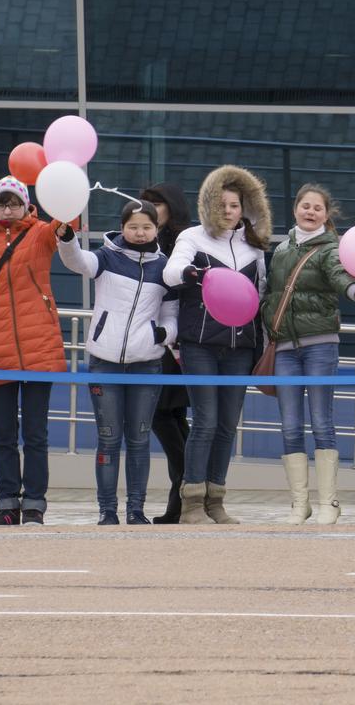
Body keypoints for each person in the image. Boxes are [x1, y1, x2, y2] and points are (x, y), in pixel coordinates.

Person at [56, 202, 178, 526]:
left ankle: (136, 510)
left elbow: (171, 314)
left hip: (147, 364)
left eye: (146, 227)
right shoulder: (106, 257)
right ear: (122, 227)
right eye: (133, 226)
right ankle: (107, 510)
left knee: (139, 440)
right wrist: (67, 238)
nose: (140, 233)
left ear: (157, 229)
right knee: (108, 438)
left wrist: (165, 334)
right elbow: (76, 261)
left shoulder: (165, 268)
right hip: (104, 363)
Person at [162, 165, 270, 525]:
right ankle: (192, 501)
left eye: (235, 205)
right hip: (201, 344)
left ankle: (216, 498)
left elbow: (261, 294)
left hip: (240, 348)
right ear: (209, 205)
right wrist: (190, 273)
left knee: (227, 425)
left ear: (245, 208)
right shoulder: (192, 238)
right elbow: (170, 271)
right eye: (222, 204)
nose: (228, 211)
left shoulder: (254, 248)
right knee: (205, 421)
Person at [262, 183, 355, 526]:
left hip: (320, 344)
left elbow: (341, 277)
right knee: (290, 425)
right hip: (283, 348)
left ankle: (329, 502)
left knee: (322, 421)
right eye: (305, 206)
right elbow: (269, 292)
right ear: (295, 209)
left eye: (317, 208)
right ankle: (299, 504)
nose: (310, 212)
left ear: (327, 214)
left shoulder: (331, 248)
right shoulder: (280, 250)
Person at [0, 176, 68, 526]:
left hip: (40, 347)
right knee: (3, 434)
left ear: (27, 205)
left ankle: (35, 505)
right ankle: (7, 503)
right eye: (2, 203)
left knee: (36, 434)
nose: (8, 209)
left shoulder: (41, 233)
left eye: (15, 203)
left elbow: (66, 222)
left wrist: (66, 187)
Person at [139, 182, 193, 524]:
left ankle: (184, 494)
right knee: (167, 418)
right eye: (146, 203)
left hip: (175, 341)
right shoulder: (140, 239)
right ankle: (185, 493)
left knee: (168, 415)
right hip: (150, 338)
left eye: (157, 204)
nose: (151, 209)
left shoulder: (182, 242)